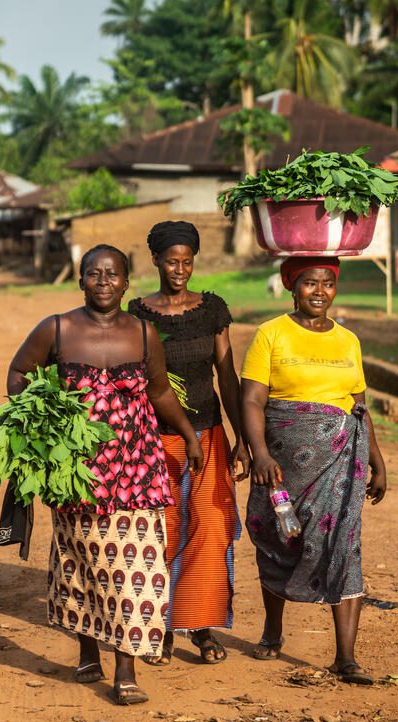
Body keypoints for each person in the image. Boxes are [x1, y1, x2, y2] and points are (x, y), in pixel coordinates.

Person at [7, 244, 203, 705]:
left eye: (112, 275)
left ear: (127, 282)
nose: (103, 282)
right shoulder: (56, 328)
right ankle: (87, 649)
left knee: (136, 567)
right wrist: (41, 416)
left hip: (135, 466)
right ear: (80, 280)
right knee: (83, 563)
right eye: (93, 274)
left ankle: (126, 670)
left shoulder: (143, 333)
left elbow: (159, 393)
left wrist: (190, 436)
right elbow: (19, 373)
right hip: (76, 472)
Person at [240, 256, 387, 685]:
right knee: (278, 540)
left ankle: (345, 657)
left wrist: (377, 460)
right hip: (284, 463)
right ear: (292, 287)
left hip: (343, 463)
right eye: (309, 283)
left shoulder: (348, 340)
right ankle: (272, 629)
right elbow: (252, 401)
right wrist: (260, 453)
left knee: (344, 543)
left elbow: (359, 406)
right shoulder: (271, 334)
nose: (319, 292)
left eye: (327, 283)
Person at [128, 221, 250, 666]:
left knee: (211, 527)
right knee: (163, 531)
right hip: (157, 440)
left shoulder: (212, 309)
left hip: (210, 433)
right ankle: (160, 627)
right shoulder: (138, 312)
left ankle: (201, 625)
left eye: (187, 261)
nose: (180, 269)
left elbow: (227, 377)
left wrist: (242, 441)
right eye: (171, 260)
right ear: (156, 260)